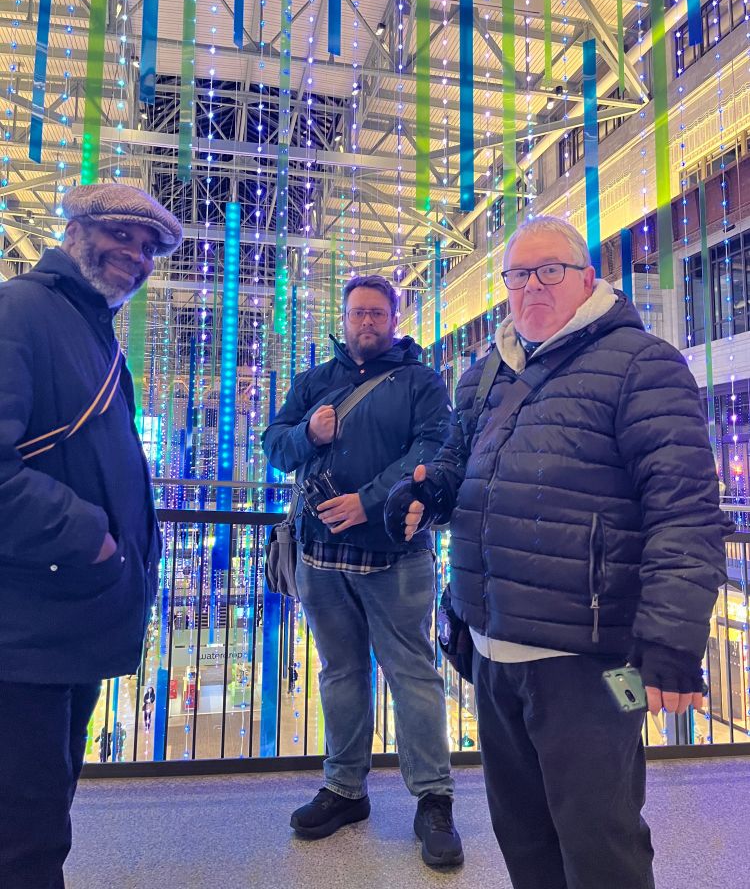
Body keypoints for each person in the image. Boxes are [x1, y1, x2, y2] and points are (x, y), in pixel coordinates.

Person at [385, 217, 731, 889]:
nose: (532, 286)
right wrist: (425, 494)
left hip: (587, 661)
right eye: (519, 274)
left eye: (551, 271)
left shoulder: (642, 364)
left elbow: (685, 510)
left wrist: (670, 640)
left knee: (600, 845)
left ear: (587, 280)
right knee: (525, 839)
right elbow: (461, 470)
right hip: (492, 649)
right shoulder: (490, 373)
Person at [0, 183, 182, 888]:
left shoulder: (91, 329)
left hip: (69, 619)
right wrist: (93, 536)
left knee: (45, 815)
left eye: (147, 248)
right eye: (121, 236)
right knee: (26, 836)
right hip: (27, 634)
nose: (135, 257)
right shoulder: (23, 311)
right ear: (77, 230)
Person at [262, 275, 463, 869]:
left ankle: (434, 799)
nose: (367, 322)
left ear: (394, 319)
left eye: (378, 313)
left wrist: (368, 502)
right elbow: (274, 446)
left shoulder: (422, 382)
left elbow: (433, 449)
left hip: (396, 555)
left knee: (413, 674)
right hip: (321, 558)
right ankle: (345, 789)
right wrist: (308, 434)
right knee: (340, 673)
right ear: (344, 319)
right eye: (358, 313)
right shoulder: (316, 382)